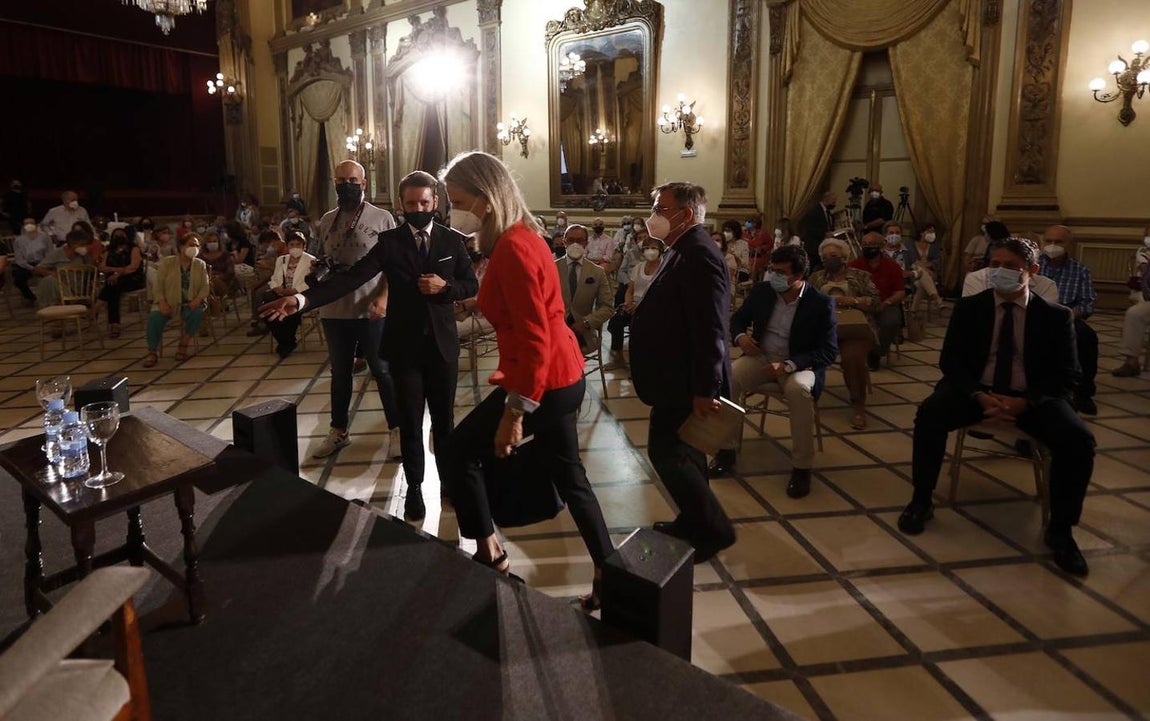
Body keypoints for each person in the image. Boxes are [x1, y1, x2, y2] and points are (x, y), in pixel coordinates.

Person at [428, 151, 611, 604]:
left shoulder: (511, 247)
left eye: (457, 201)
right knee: (571, 477)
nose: (453, 211)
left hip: (541, 379)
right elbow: (529, 304)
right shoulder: (522, 236)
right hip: (563, 373)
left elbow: (533, 338)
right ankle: (611, 574)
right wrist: (472, 304)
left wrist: (515, 413)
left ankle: (491, 555)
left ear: (486, 199)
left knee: (457, 453)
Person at [267, 170, 476, 518]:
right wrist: (303, 300)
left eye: (424, 202)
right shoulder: (391, 242)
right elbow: (352, 278)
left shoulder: (452, 241)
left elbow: (470, 284)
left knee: (444, 423)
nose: (418, 208)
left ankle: (448, 485)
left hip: (442, 348)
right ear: (401, 204)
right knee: (410, 422)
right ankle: (414, 488)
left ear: (435, 202)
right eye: (411, 203)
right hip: (404, 348)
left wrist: (446, 289)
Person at [897, 237, 1095, 577]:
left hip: (1031, 398)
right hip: (977, 392)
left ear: (1032, 270)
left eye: (1011, 266)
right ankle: (921, 500)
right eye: (995, 265)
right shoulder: (969, 308)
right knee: (930, 414)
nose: (1000, 272)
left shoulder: (1055, 317)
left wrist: (1025, 402)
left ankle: (1061, 530)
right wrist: (977, 394)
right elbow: (951, 362)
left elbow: (1068, 375)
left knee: (1078, 441)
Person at [630, 181, 737, 563]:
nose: (653, 216)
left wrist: (705, 388)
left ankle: (714, 529)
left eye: (660, 209)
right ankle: (694, 522)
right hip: (677, 375)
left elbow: (710, 328)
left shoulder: (700, 255)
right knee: (687, 454)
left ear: (685, 214)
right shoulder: (683, 249)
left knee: (667, 452)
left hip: (687, 379)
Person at [282, 161, 402, 461]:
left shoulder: (382, 218)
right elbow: (321, 256)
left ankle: (397, 430)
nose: (346, 185)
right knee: (340, 373)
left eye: (352, 180)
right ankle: (339, 431)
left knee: (382, 371)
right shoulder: (327, 219)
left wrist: (384, 297)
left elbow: (395, 264)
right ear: (335, 184)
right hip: (334, 310)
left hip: (371, 309)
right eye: (341, 180)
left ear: (363, 184)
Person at [708, 245, 838, 498]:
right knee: (729, 378)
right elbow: (737, 319)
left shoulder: (820, 303)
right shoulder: (763, 291)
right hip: (762, 356)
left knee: (799, 391)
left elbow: (828, 351)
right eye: (772, 270)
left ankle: (802, 467)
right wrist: (741, 337)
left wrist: (789, 365)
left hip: (799, 364)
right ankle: (726, 451)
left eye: (781, 272)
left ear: (799, 275)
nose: (774, 276)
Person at [809, 237, 879, 429]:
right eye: (824, 257)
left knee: (852, 358)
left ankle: (858, 404)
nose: (828, 260)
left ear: (844, 257)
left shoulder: (861, 276)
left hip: (855, 328)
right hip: (824, 329)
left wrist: (852, 301)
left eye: (833, 255)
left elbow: (876, 302)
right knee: (806, 352)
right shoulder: (816, 278)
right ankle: (807, 398)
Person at [1037, 225, 1099, 415]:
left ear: (1069, 244)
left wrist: (1068, 316)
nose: (1052, 245)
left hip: (1067, 316)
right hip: (1035, 315)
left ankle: (1083, 392)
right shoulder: (1032, 265)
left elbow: (1087, 303)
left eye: (1058, 242)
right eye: (1049, 241)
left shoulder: (1080, 270)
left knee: (1087, 337)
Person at [141, 233, 210, 368]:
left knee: (197, 312)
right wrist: (162, 302)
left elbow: (205, 286)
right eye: (191, 245)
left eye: (197, 246)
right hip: (168, 302)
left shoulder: (200, 264)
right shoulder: (168, 263)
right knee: (155, 317)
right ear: (181, 246)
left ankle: (184, 344)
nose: (194, 248)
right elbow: (158, 285)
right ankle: (152, 351)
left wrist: (198, 299)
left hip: (190, 302)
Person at [557, 223, 614, 356]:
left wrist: (587, 322)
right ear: (564, 242)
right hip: (555, 330)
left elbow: (607, 307)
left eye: (580, 240)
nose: (575, 244)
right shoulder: (551, 268)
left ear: (586, 243)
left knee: (573, 355)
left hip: (583, 332)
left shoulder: (597, 272)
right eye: (571, 240)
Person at [851, 231, 906, 370]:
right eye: (864, 244)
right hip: (860, 305)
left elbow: (900, 292)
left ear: (880, 247)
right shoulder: (854, 265)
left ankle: (875, 353)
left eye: (871, 244)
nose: (867, 247)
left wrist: (886, 303)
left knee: (891, 321)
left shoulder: (892, 267)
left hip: (885, 304)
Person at [606, 230, 660, 370]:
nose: (650, 251)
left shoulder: (663, 269)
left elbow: (660, 294)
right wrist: (628, 303)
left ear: (660, 250)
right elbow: (630, 289)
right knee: (615, 322)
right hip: (633, 305)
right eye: (647, 248)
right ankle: (618, 358)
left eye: (653, 248)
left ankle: (640, 363)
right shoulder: (638, 267)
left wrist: (640, 306)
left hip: (652, 307)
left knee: (638, 326)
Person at [264, 232, 315, 359]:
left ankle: (286, 343)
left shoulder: (311, 260)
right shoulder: (281, 260)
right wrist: (277, 288)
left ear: (304, 246)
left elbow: (311, 282)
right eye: (292, 244)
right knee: (267, 310)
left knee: (290, 308)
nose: (295, 247)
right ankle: (286, 341)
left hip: (300, 295)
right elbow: (274, 278)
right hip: (281, 293)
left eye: (298, 244)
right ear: (287, 246)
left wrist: (294, 291)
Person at [97, 227, 145, 338]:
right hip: (114, 280)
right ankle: (114, 324)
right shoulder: (109, 251)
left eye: (121, 235)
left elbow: (133, 267)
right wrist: (117, 271)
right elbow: (102, 267)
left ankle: (98, 305)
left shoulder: (133, 249)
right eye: (116, 235)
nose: (119, 237)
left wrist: (117, 273)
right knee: (113, 287)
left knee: (113, 285)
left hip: (133, 279)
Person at [35, 230, 93, 310]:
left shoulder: (84, 256)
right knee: (49, 280)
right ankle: (50, 306)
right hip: (62, 287)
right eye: (82, 245)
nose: (85, 247)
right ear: (72, 244)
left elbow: (92, 270)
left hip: (79, 290)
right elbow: (37, 269)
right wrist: (52, 273)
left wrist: (88, 256)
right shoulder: (57, 254)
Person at [903, 223, 943, 312]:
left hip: (931, 274)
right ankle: (937, 299)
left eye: (933, 232)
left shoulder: (934, 246)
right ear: (921, 233)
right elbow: (911, 261)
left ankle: (913, 311)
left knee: (922, 277)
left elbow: (937, 261)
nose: (932, 234)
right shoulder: (910, 244)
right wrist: (925, 269)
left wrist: (926, 267)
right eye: (930, 231)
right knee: (921, 280)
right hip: (914, 274)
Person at [12, 217, 51, 306]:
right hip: (27, 265)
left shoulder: (45, 237)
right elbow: (19, 259)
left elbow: (49, 253)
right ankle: (30, 297)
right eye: (26, 223)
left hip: (43, 263)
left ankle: (49, 298)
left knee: (51, 276)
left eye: (31, 223)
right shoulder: (19, 240)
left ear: (36, 225)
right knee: (18, 280)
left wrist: (42, 265)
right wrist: (32, 268)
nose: (29, 225)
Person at [800, 191, 836, 271]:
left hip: (824, 246)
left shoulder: (829, 213)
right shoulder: (814, 211)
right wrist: (824, 234)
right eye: (833, 201)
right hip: (813, 247)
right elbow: (809, 228)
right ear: (826, 199)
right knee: (810, 269)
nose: (834, 204)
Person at [200, 231, 237, 301]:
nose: (212, 243)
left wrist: (219, 277)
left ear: (219, 242)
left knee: (214, 282)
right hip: (205, 281)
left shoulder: (225, 255)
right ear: (205, 243)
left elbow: (231, 272)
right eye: (209, 241)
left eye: (214, 241)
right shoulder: (201, 256)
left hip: (224, 282)